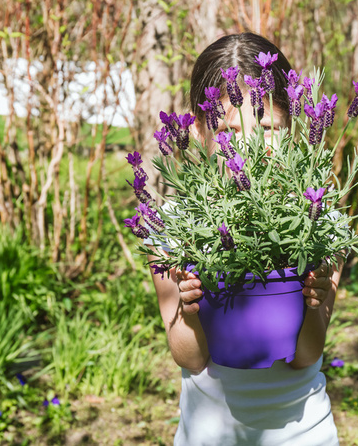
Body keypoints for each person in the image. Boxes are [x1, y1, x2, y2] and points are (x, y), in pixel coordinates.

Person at [145, 32, 343, 446]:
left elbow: (307, 355)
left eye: (268, 127)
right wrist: (189, 307)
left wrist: (314, 302)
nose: (251, 146)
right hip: (208, 436)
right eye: (231, 129)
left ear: (294, 127)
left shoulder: (321, 223)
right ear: (198, 129)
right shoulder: (172, 227)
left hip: (304, 435)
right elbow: (189, 358)